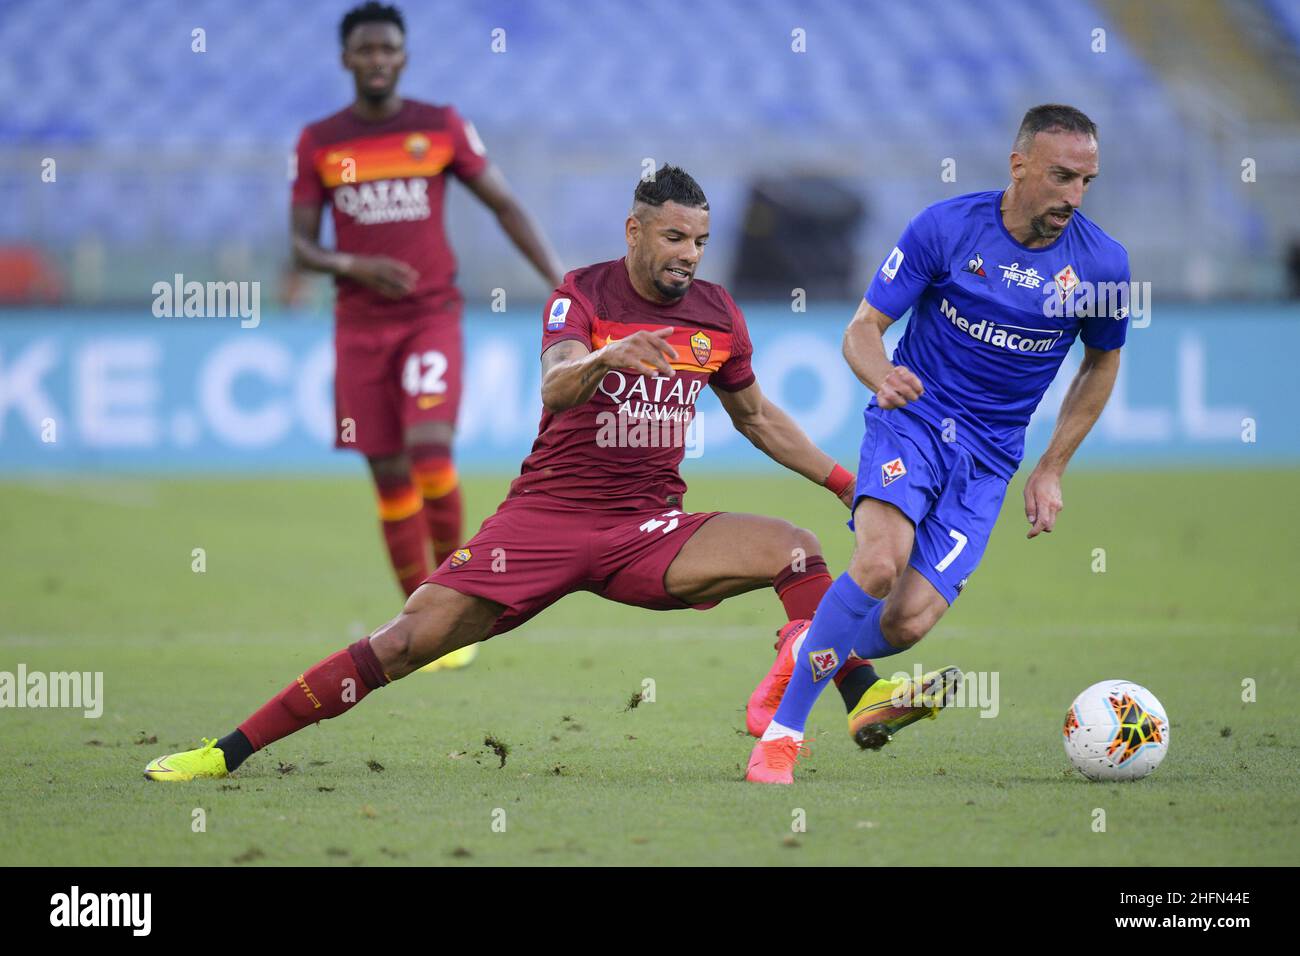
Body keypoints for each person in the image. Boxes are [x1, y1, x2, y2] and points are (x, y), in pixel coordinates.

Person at [145, 165, 916, 783]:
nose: (688, 254)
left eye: (700, 241)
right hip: (542, 524)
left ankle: (851, 697)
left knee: (795, 548)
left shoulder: (716, 316)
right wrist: (608, 355)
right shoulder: (581, 293)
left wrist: (847, 484)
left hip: (648, 531)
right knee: (406, 642)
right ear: (635, 231)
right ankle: (226, 751)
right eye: (674, 236)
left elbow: (757, 418)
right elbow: (555, 383)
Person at [745, 104, 1132, 784]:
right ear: (1019, 167)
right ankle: (783, 737)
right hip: (914, 422)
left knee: (908, 622)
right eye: (1062, 177)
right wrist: (882, 375)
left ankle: (811, 645)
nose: (1074, 196)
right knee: (878, 565)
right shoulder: (946, 228)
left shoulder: (1102, 265)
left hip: (987, 462)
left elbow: (1102, 362)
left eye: (1087, 182)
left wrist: (1052, 467)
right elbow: (862, 329)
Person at [290, 3, 563, 672]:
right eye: (366, 49)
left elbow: (503, 203)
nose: (378, 59)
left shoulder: (437, 126)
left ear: (404, 56)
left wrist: (563, 280)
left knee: (431, 452)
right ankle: (419, 615)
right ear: (346, 59)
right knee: (387, 475)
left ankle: (459, 593)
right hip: (359, 327)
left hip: (429, 316)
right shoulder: (321, 140)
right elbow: (299, 244)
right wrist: (352, 264)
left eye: (389, 48)